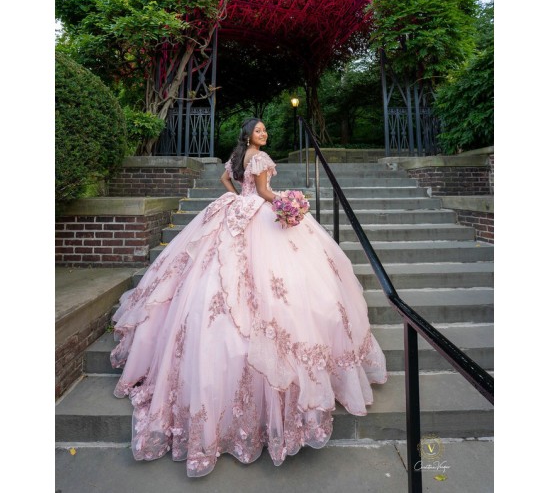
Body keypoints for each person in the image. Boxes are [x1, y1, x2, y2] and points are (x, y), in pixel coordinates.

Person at [110, 117, 387, 478]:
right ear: (249, 135)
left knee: (214, 272)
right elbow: (266, 193)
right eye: (259, 131)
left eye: (264, 131)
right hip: (256, 214)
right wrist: (290, 203)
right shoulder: (259, 158)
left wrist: (235, 198)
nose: (264, 134)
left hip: (234, 210)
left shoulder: (238, 156)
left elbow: (227, 180)